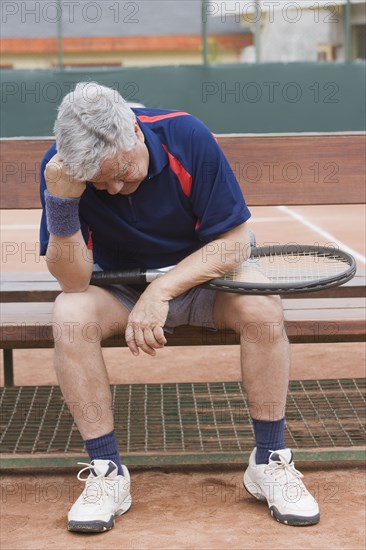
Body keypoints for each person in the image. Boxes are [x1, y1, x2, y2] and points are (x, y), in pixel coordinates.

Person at [39, 82, 320, 532]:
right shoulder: (63, 168)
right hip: (118, 292)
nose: (112, 188)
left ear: (132, 130)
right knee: (69, 315)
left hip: (203, 280)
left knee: (264, 308)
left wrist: (162, 291)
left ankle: (269, 462)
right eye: (98, 181)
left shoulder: (186, 135)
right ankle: (107, 472)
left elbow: (234, 243)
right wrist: (62, 201)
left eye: (122, 171)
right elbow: (72, 281)